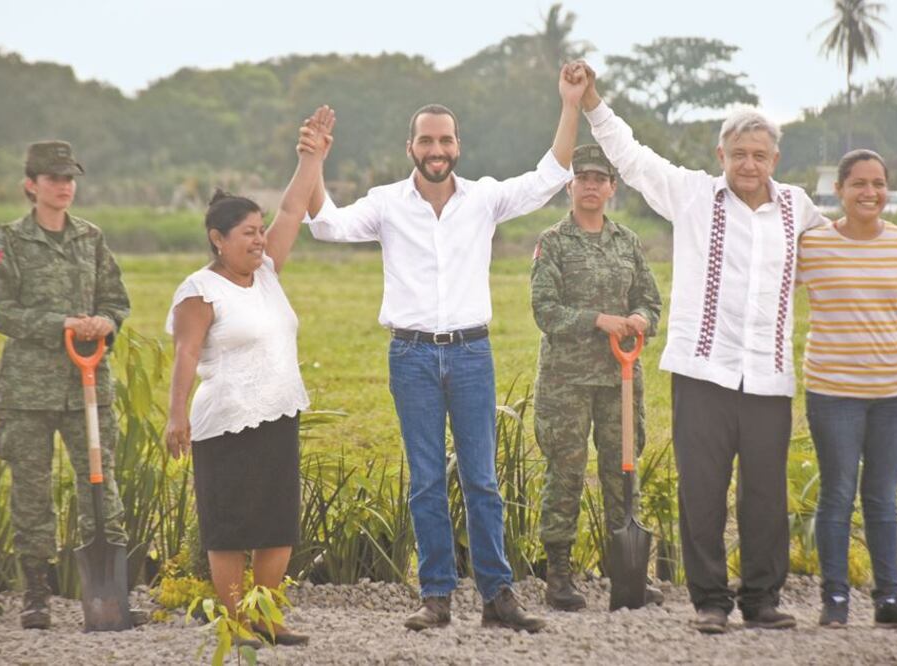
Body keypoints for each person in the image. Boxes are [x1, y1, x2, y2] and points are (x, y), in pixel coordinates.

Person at [571, 62, 897, 633]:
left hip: (768, 377)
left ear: (775, 160)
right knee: (702, 492)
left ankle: (762, 600)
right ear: (721, 154)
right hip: (702, 371)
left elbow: (849, 244)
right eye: (739, 153)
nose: (749, 164)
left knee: (765, 495)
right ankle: (711, 602)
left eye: (759, 155)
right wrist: (591, 101)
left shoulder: (798, 208)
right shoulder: (692, 195)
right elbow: (631, 157)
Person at [269, 65, 587, 633]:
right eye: (426, 140)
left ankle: (497, 596)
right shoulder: (386, 203)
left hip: (471, 354)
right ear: (410, 147)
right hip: (411, 356)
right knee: (426, 481)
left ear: (457, 146)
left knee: (482, 480)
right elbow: (326, 225)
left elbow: (550, 174)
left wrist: (569, 103)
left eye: (445, 140)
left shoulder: (484, 199)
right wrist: (313, 159)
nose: (436, 150)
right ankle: (436, 596)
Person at [164, 115, 329, 647]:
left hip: (279, 409)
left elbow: (292, 209)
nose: (260, 239)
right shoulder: (199, 291)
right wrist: (176, 415)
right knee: (232, 526)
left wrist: (312, 158)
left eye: (261, 231)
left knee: (278, 522)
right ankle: (235, 622)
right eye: (248, 233)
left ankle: (267, 616)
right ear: (218, 239)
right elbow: (186, 354)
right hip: (226, 421)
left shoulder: (267, 273)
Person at [0, 140, 143, 630]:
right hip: (27, 391)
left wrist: (104, 322)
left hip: (87, 386)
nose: (64, 186)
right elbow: (2, 312)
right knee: (31, 491)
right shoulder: (12, 240)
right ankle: (37, 594)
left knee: (100, 484)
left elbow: (116, 301)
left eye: (70, 178)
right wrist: (63, 324)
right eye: (54, 178)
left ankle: (109, 593)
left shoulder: (91, 238)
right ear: (31, 185)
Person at [798, 149, 897, 631]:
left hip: (896, 395)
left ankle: (889, 599)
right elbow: (766, 284)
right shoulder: (812, 246)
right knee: (838, 492)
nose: (870, 192)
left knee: (883, 496)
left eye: (878, 183)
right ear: (838, 190)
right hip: (832, 391)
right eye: (859, 183)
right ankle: (835, 599)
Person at [530, 144, 663, 610]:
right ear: (570, 186)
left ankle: (627, 575)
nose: (590, 186)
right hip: (565, 382)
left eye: (598, 179)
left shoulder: (627, 242)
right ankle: (558, 577)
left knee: (621, 474)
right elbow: (545, 311)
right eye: (582, 178)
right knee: (565, 475)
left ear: (612, 187)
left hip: (619, 379)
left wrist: (642, 318)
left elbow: (650, 300)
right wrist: (597, 320)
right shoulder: (553, 242)